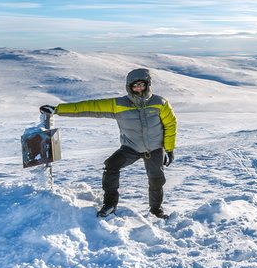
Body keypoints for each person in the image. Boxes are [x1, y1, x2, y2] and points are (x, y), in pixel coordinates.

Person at [40, 68, 177, 219]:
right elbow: (89, 107)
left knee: (157, 180)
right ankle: (110, 204)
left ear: (148, 85)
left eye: (142, 85)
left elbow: (170, 125)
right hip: (131, 147)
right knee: (111, 165)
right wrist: (57, 109)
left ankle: (156, 210)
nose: (139, 88)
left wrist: (169, 149)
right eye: (135, 85)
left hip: (155, 149)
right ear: (129, 87)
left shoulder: (160, 103)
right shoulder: (119, 104)